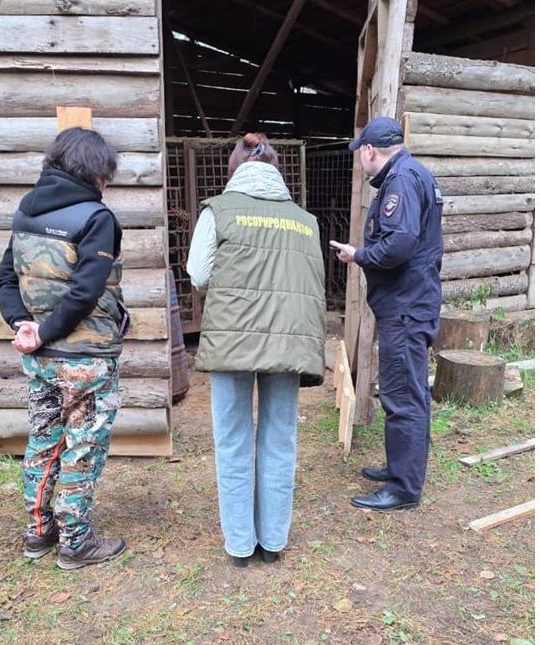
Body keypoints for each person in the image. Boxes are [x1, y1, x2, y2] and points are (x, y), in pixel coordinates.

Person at [0, 127, 129, 569]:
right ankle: (76, 541)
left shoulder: (26, 212)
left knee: (44, 439)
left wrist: (24, 326)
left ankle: (37, 531)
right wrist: (47, 331)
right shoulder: (96, 218)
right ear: (94, 171)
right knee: (82, 444)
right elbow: (86, 292)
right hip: (86, 357)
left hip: (41, 361)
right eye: (107, 172)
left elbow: (5, 281)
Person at [186, 133, 325, 567]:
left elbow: (197, 274)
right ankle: (273, 542)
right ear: (277, 170)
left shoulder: (218, 211)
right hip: (288, 341)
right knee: (280, 439)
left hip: (231, 339)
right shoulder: (306, 221)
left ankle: (240, 545)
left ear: (235, 167)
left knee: (232, 440)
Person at [329, 116, 444, 511]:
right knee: (408, 391)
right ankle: (402, 468)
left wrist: (359, 255)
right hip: (410, 303)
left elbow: (399, 244)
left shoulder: (400, 182)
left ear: (369, 151)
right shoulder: (413, 174)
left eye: (360, 152)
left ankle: (404, 489)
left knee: (402, 396)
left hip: (407, 308)